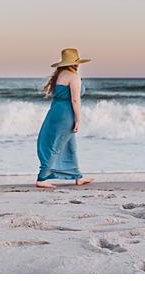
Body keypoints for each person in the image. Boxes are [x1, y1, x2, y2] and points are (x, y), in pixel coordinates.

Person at [36, 48, 95, 189]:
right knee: (56, 144)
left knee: (69, 145)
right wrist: (78, 119)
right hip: (66, 114)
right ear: (76, 63)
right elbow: (75, 100)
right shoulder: (74, 76)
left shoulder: (60, 74)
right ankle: (41, 178)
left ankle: (78, 176)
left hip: (56, 111)